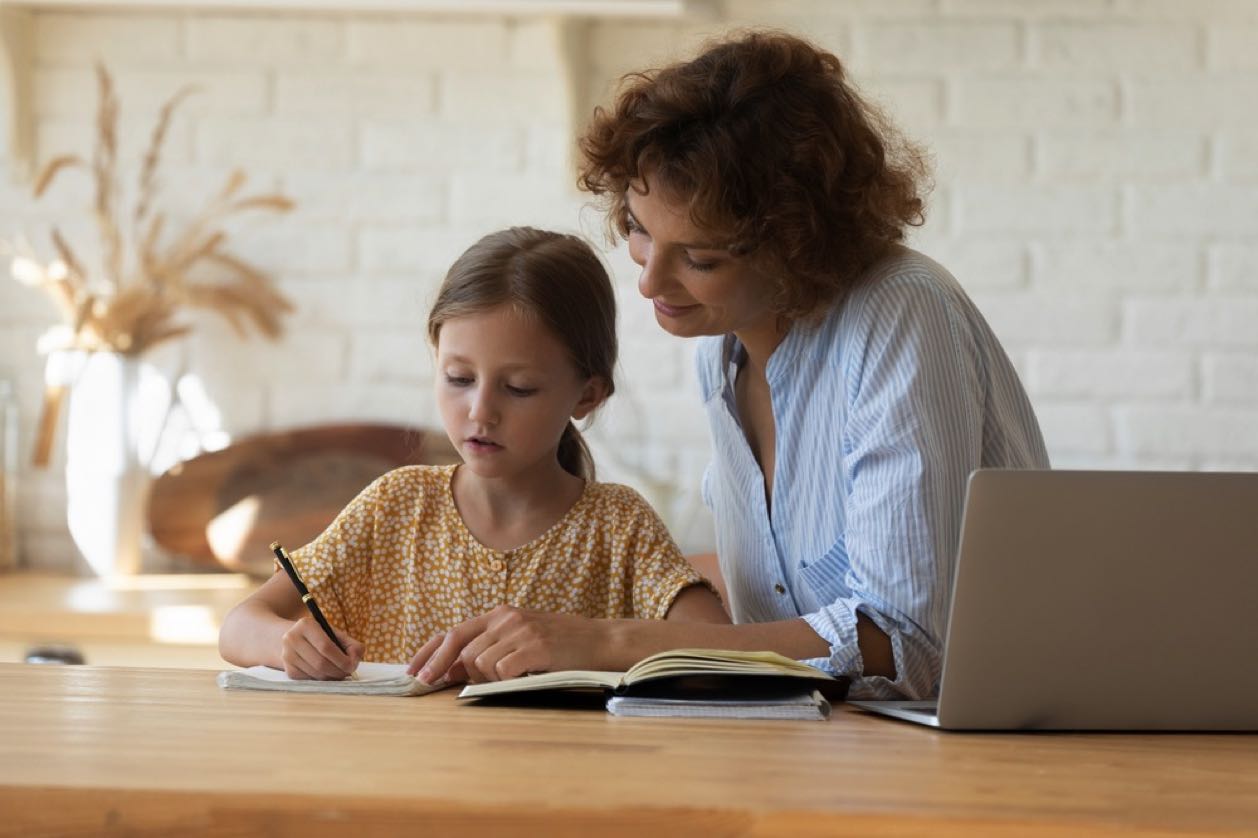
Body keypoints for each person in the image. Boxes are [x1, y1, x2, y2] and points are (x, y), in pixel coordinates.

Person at [407, 30, 1049, 700]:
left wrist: (612, 639)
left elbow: (906, 646)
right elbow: (774, 622)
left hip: (974, 761)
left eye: (700, 258)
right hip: (819, 749)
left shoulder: (902, 316)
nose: (651, 282)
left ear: (798, 245)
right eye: (638, 228)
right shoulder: (723, 349)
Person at [218, 227, 728, 680]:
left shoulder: (618, 527)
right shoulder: (395, 506)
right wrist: (287, 643)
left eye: (520, 388)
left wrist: (599, 642)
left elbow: (722, 648)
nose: (480, 412)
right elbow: (239, 627)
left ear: (587, 395)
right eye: (458, 379)